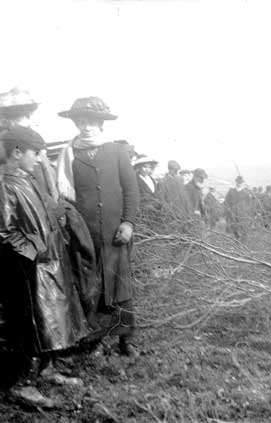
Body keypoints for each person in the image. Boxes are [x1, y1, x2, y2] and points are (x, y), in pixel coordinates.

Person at [0, 127, 89, 407]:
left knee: (51, 321)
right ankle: (21, 383)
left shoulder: (26, 179)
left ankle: (46, 370)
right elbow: (4, 231)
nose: (39, 159)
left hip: (47, 265)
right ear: (17, 152)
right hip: (27, 270)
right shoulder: (5, 183)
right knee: (30, 325)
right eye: (34, 153)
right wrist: (34, 252)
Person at [56, 96, 140, 356]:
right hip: (86, 235)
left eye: (92, 122)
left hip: (116, 233)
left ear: (102, 124)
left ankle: (125, 340)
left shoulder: (116, 151)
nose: (87, 127)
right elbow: (64, 198)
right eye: (82, 122)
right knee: (91, 289)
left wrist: (128, 222)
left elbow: (131, 190)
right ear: (76, 124)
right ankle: (96, 340)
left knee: (120, 287)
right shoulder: (70, 155)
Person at [224, 175, 250, 240]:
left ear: (242, 183)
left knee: (241, 227)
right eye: (238, 182)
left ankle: (241, 240)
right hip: (232, 212)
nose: (239, 183)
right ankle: (234, 239)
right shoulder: (231, 191)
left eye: (240, 182)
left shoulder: (245, 192)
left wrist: (246, 210)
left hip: (242, 213)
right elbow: (226, 201)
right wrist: (228, 209)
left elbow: (248, 203)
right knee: (233, 227)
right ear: (236, 182)